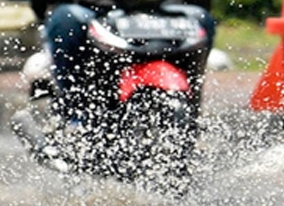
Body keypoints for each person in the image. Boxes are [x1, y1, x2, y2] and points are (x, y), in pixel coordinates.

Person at [30, 0, 216, 119]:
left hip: (163, 10)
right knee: (66, 18)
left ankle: (192, 113)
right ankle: (73, 116)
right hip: (98, 10)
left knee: (202, 18)